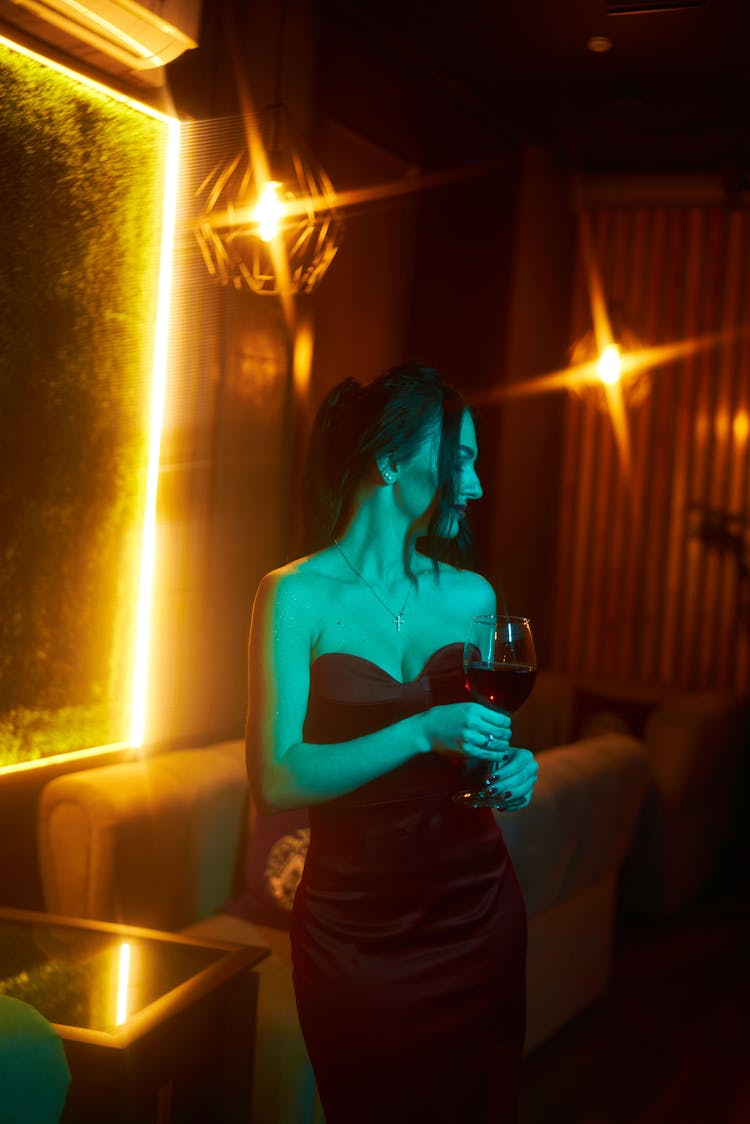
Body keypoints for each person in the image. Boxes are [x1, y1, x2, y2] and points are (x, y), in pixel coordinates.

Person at [245, 363, 538, 1123]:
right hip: (355, 934)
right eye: (460, 459)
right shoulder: (293, 594)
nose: (473, 485)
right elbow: (275, 781)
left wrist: (512, 764)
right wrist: (417, 731)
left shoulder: (471, 595)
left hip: (478, 913)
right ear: (388, 461)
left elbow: (477, 746)